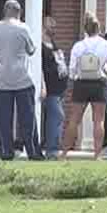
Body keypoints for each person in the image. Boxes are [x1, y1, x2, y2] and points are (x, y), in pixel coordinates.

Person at [62, 14, 107, 160]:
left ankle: (64, 153)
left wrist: (75, 78)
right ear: (99, 29)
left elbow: (72, 70)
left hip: (81, 84)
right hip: (99, 83)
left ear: (85, 29)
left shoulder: (78, 46)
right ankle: (97, 155)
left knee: (74, 120)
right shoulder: (106, 44)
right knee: (99, 120)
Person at [0, 0, 42, 161]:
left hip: (0, 78)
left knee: (3, 118)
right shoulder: (23, 28)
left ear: (5, 11)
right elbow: (31, 50)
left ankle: (6, 151)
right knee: (27, 116)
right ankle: (32, 151)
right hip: (22, 78)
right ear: (19, 13)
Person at [39, 15, 68, 159]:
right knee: (57, 116)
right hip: (48, 89)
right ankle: (52, 150)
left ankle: (50, 146)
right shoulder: (39, 45)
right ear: (43, 26)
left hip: (58, 89)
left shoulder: (53, 44)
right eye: (51, 25)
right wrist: (43, 85)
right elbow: (39, 68)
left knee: (54, 117)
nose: (54, 27)